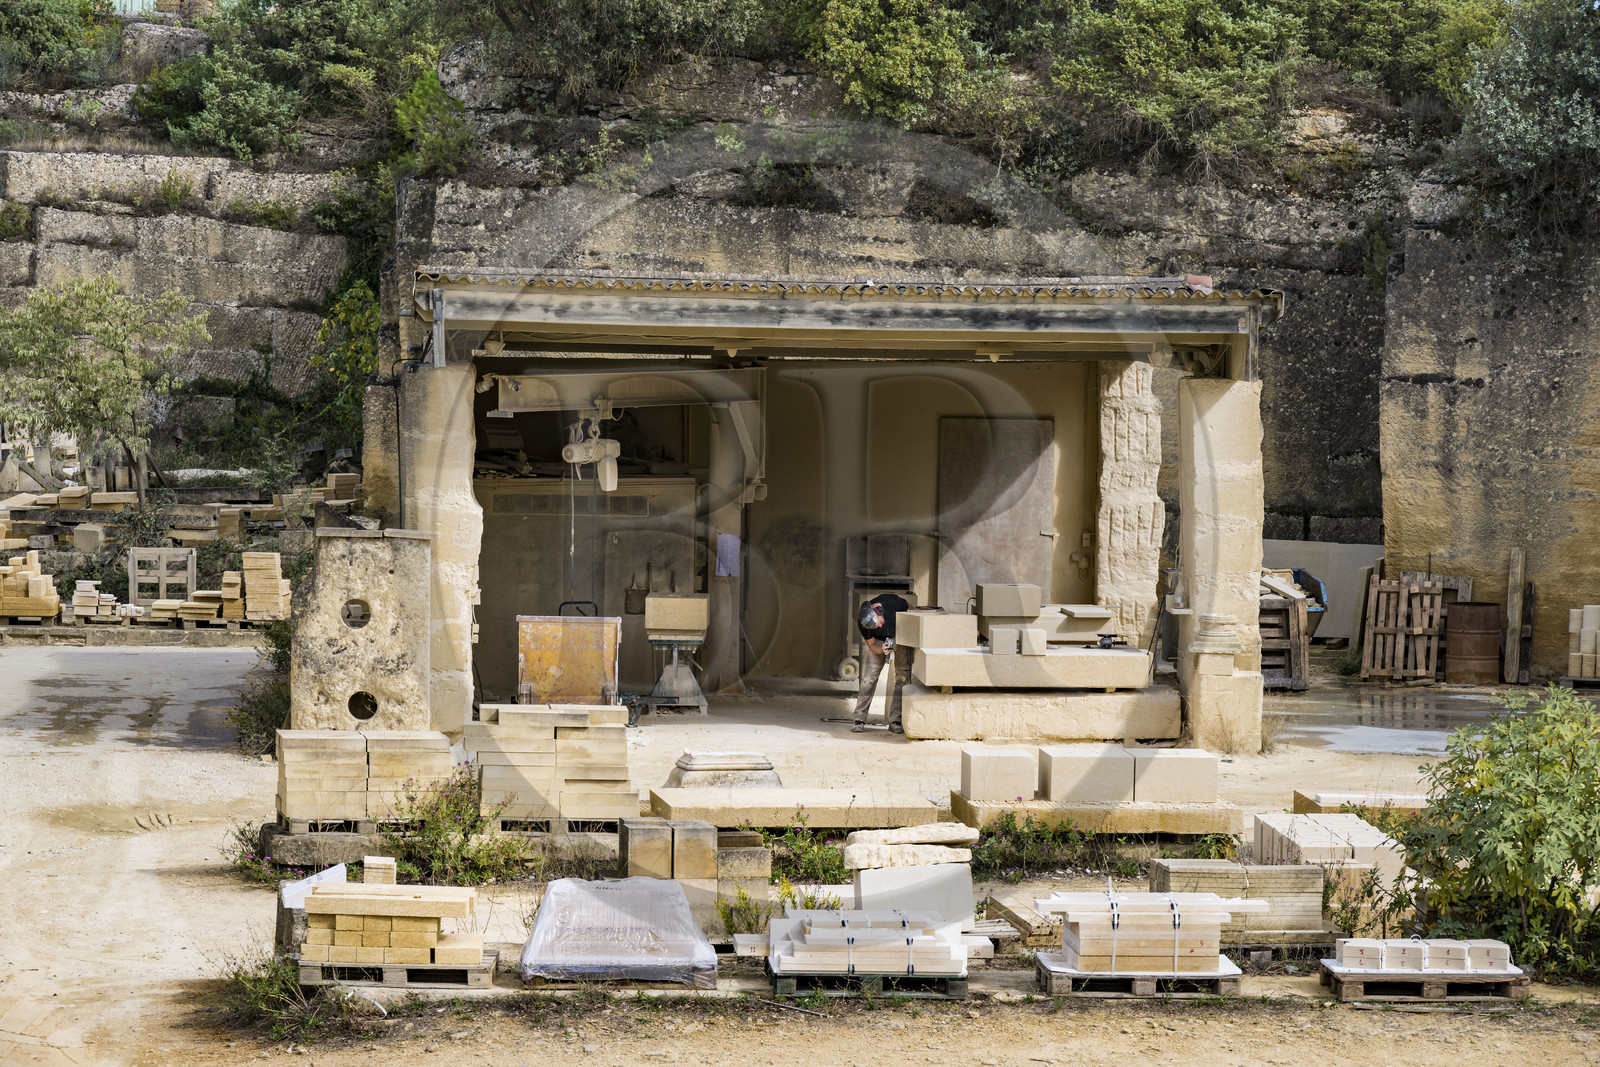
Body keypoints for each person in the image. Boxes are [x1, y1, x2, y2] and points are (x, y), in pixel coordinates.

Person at [853, 592, 910, 734]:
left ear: (878, 611)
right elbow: (872, 646)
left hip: (900, 633)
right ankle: (859, 719)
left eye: (877, 622)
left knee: (902, 676)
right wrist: (881, 650)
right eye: (873, 626)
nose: (878, 625)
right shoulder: (864, 624)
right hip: (879, 641)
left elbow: (910, 608)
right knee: (869, 678)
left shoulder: (893, 603)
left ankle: (896, 720)